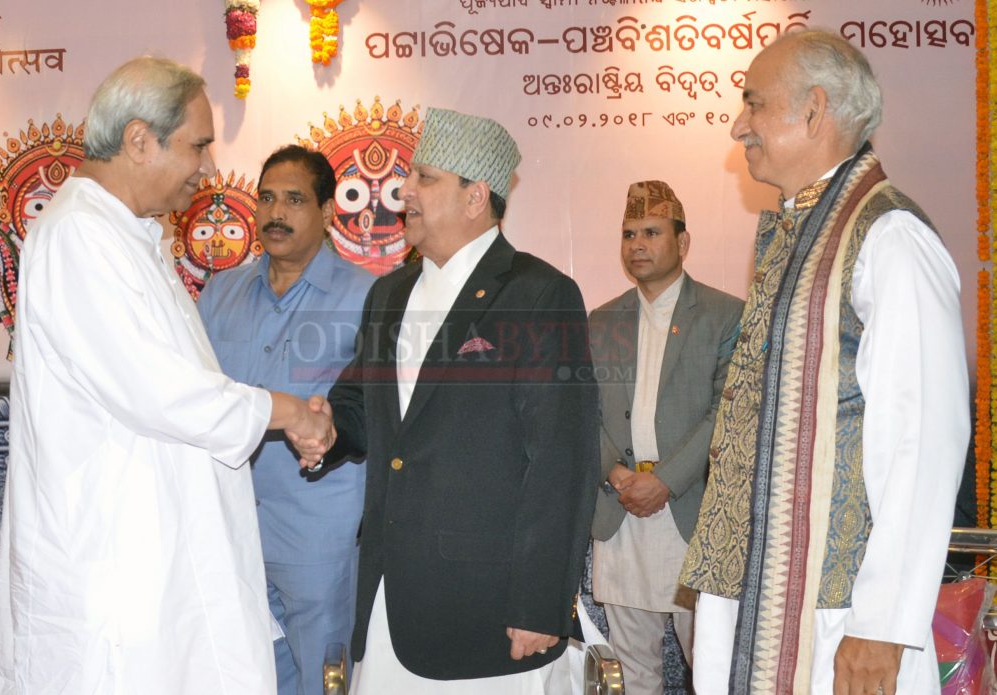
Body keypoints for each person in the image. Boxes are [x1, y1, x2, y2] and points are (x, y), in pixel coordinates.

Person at [0, 57, 332, 695]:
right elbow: (157, 391)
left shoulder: (127, 236)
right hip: (117, 573)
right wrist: (286, 411)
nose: (204, 166)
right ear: (140, 140)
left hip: (160, 563)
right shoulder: (78, 238)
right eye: (197, 144)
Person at [679, 30, 969, 695]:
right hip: (754, 596)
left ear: (813, 110)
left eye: (753, 104)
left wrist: (884, 623)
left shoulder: (891, 237)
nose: (737, 125)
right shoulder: (795, 229)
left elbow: (922, 439)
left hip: (842, 621)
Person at [304, 107, 599, 693]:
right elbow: (363, 404)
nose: (403, 192)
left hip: (491, 613)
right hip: (390, 595)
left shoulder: (539, 295)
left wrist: (541, 602)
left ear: (474, 196)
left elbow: (562, 458)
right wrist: (327, 428)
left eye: (425, 179)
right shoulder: (388, 293)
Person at [198, 145, 375, 695]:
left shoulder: (369, 295)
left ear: (327, 212)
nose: (276, 213)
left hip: (317, 529)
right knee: (239, 669)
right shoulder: (219, 293)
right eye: (267, 198)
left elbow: (372, 410)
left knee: (324, 674)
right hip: (225, 523)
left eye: (294, 200)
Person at [588, 180, 743, 694]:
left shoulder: (725, 315)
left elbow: (731, 409)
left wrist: (667, 481)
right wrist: (615, 474)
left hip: (692, 511)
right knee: (633, 671)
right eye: (629, 233)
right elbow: (584, 413)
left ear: (684, 241)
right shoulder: (601, 320)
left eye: (652, 232)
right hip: (621, 508)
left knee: (713, 665)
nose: (637, 245)